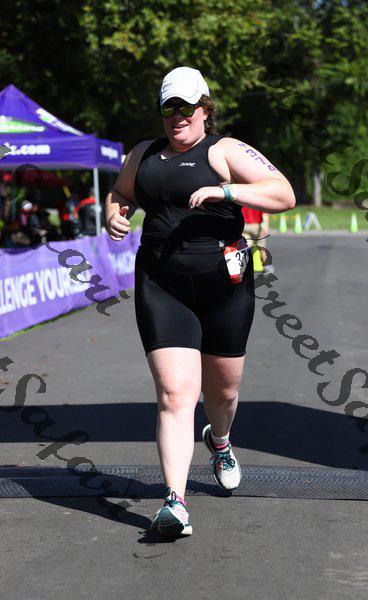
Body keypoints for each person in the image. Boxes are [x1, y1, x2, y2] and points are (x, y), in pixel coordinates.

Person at [105, 66, 295, 538]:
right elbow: (120, 193)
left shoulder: (225, 151)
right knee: (175, 394)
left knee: (223, 393)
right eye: (169, 108)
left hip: (225, 286)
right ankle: (175, 503)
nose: (178, 116)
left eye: (187, 107)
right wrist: (115, 214)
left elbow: (284, 194)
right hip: (161, 284)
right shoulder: (143, 154)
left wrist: (225, 190)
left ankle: (221, 441)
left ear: (205, 110)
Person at [241, 206, 274, 274]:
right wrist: (266, 225)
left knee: (246, 246)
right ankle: (267, 267)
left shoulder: (243, 200)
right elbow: (264, 213)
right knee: (261, 247)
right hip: (256, 226)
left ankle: (240, 264)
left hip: (244, 225)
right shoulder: (258, 200)